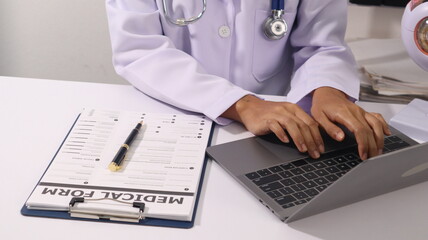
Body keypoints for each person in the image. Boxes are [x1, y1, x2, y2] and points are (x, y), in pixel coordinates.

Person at [105, 0, 391, 160]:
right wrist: (240, 104)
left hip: (271, 134)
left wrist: (328, 90)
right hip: (173, 121)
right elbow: (139, 50)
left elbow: (321, 45)